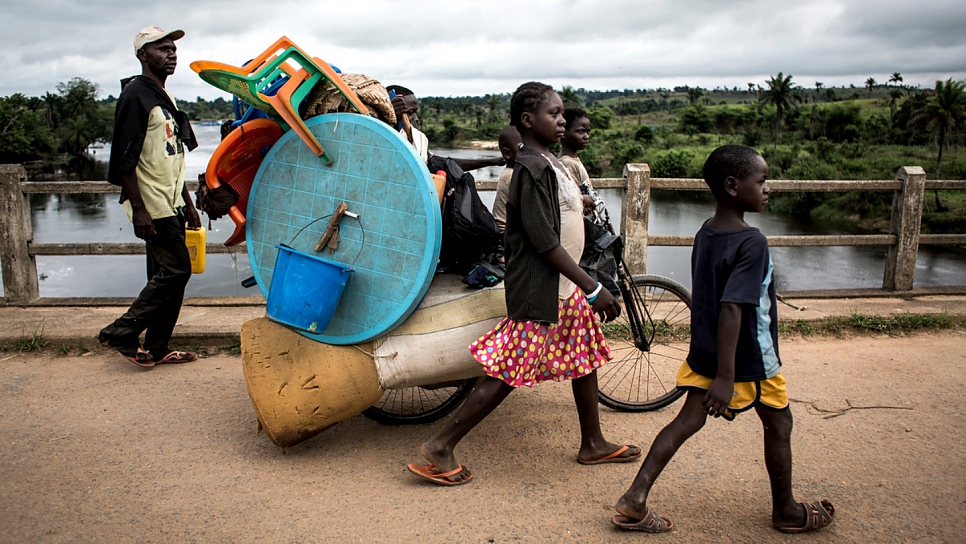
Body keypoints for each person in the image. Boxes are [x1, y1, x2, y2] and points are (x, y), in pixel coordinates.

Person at [406, 82, 639, 486]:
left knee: (583, 360)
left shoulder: (552, 163)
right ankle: (439, 448)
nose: (563, 119)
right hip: (542, 287)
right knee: (508, 370)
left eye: (563, 112)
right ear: (529, 121)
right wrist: (593, 286)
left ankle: (593, 442)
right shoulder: (530, 169)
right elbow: (543, 241)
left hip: (562, 289)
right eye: (554, 113)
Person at [611, 145, 835, 534]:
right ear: (733, 186)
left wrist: (716, 369)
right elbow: (733, 309)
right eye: (761, 181)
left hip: (708, 352)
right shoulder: (753, 243)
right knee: (779, 424)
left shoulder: (706, 232)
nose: (768, 189)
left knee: (684, 422)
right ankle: (787, 511)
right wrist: (727, 379)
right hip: (750, 360)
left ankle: (634, 498)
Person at [97, 26, 201, 368]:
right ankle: (121, 331)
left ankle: (157, 347)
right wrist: (139, 210)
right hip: (151, 203)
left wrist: (186, 202)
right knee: (177, 271)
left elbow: (172, 156)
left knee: (166, 276)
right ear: (143, 55)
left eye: (173, 49)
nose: (171, 54)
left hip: (169, 201)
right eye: (162, 49)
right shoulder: (135, 96)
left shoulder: (162, 96)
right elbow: (124, 160)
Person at [386, 85, 505, 172]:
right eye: (410, 112)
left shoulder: (416, 145)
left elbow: (444, 164)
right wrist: (389, 114)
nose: (416, 118)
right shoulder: (379, 138)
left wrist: (492, 161)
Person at [557, 107, 596, 213]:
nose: (586, 136)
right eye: (580, 131)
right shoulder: (567, 163)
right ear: (564, 132)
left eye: (587, 132)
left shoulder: (574, 160)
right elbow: (572, 201)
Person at [491, 124, 522, 233]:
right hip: (507, 234)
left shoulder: (510, 173)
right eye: (523, 147)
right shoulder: (513, 176)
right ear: (507, 153)